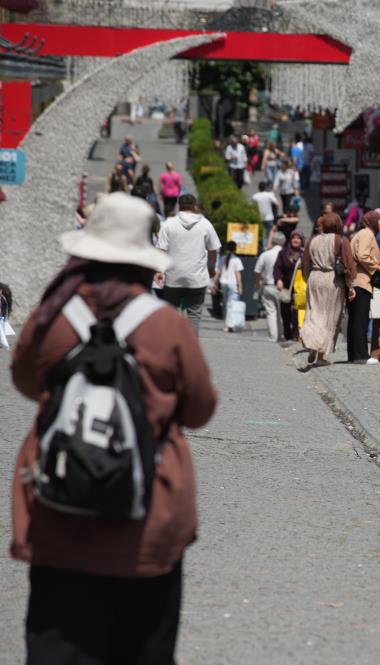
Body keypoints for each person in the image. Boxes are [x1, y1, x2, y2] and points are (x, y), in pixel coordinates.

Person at [10, 192, 217, 663]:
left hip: (58, 512)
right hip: (148, 517)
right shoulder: (167, 325)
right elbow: (201, 410)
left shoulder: (53, 319)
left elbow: (24, 381)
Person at [154, 194, 221, 334]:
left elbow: (161, 250)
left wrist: (159, 271)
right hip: (197, 278)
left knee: (171, 314)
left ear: (179, 206)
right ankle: (190, 350)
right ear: (195, 206)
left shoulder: (169, 224)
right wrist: (211, 268)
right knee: (194, 316)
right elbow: (213, 249)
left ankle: (170, 347)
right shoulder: (205, 224)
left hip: (173, 277)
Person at [300, 214, 356, 368]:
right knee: (330, 317)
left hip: (315, 277)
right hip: (332, 280)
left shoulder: (312, 240)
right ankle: (321, 354)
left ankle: (312, 342)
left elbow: (305, 262)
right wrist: (351, 285)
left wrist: (307, 278)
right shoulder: (341, 240)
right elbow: (349, 264)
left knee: (314, 313)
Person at [348, 211, 380, 363]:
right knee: (360, 320)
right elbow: (363, 255)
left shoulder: (365, 233)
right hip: (361, 281)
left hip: (359, 280)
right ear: (374, 221)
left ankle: (354, 354)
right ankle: (360, 355)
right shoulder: (367, 234)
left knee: (356, 320)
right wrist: (378, 267)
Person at [274, 230, 305, 343]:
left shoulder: (305, 254)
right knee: (285, 312)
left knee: (298, 311)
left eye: (298, 238)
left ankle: (296, 334)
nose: (296, 240)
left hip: (300, 288)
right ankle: (287, 334)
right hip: (287, 287)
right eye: (293, 238)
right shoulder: (283, 253)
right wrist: (278, 279)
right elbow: (277, 268)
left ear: (302, 241)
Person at [255, 231, 285, 342]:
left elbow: (257, 270)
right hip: (282, 287)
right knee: (282, 313)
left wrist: (257, 282)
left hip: (268, 286)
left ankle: (273, 337)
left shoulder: (266, 254)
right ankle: (282, 335)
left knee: (271, 312)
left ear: (272, 241)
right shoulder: (285, 254)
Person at [213, 240, 243, 332]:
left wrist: (214, 283)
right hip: (233, 285)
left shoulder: (223, 258)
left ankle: (226, 324)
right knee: (232, 305)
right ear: (235, 249)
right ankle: (230, 325)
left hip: (223, 284)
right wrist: (240, 286)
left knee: (226, 304)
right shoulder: (236, 260)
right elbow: (238, 275)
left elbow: (218, 272)